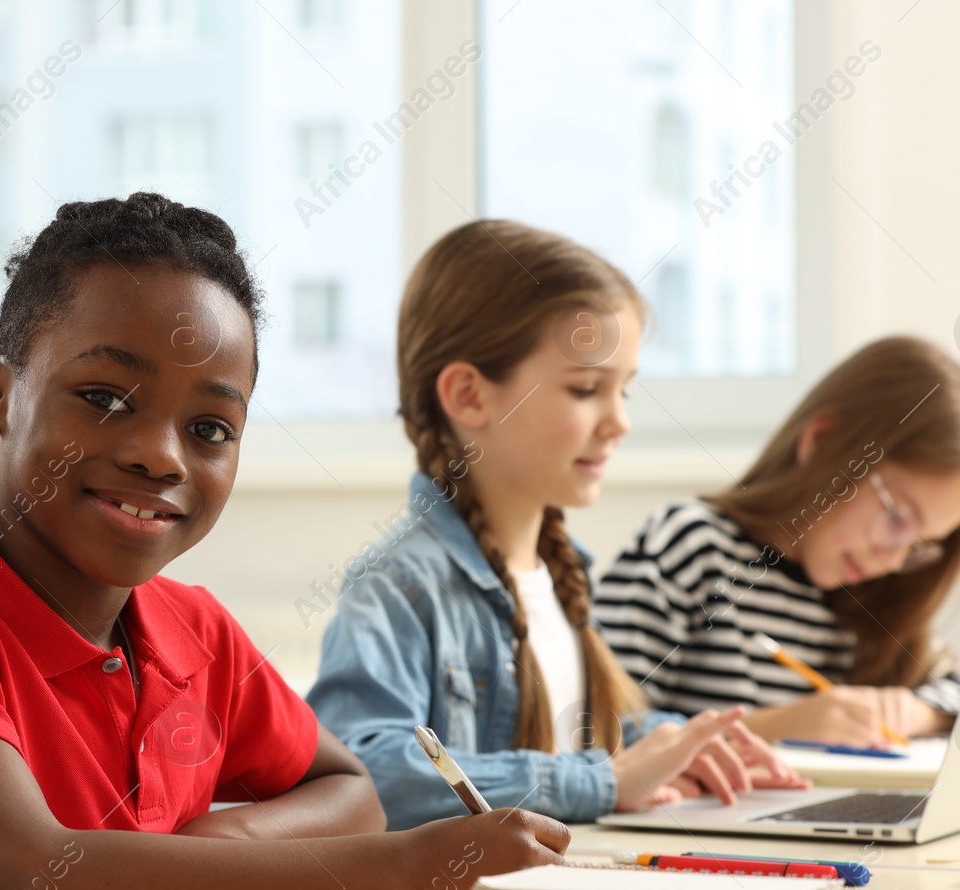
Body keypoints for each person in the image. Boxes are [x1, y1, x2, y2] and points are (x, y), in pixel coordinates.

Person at [0, 195, 568, 890]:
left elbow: (348, 789)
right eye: (105, 398)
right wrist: (404, 872)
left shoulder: (195, 631)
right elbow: (37, 882)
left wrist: (216, 850)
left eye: (210, 428)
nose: (161, 456)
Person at [308, 220, 802, 831]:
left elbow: (566, 740)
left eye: (625, 391)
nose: (618, 421)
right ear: (469, 396)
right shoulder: (398, 584)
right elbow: (364, 775)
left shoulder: (562, 573)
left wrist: (674, 743)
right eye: (587, 388)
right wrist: (604, 782)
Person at [594, 336, 960, 747]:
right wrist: (779, 728)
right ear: (823, 442)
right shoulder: (693, 546)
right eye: (897, 520)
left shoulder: (873, 597)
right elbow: (596, 726)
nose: (895, 559)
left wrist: (918, 712)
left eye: (920, 545)